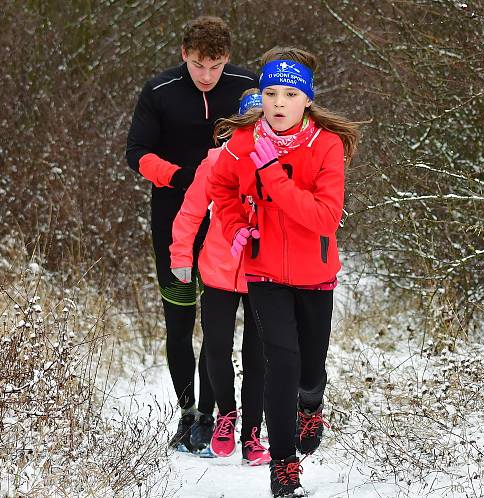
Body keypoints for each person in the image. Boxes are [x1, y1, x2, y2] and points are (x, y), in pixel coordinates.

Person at [209, 47, 361, 497]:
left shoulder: (326, 145)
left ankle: (310, 406)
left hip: (315, 273)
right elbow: (222, 185)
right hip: (265, 270)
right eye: (270, 92)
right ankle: (283, 464)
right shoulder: (242, 142)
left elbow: (323, 218)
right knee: (281, 363)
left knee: (309, 371)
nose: (277, 103)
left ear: (306, 101)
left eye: (290, 94)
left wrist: (272, 174)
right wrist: (236, 224)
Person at [125, 15, 257, 453]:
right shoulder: (159, 90)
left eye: (215, 66)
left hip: (228, 223)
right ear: (184, 55)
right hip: (172, 215)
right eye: (199, 64)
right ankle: (187, 413)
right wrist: (180, 177)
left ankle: (212, 413)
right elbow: (136, 152)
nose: (207, 75)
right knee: (180, 322)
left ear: (228, 60)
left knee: (219, 326)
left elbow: (274, 134)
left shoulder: (246, 86)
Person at [169, 89, 270, 466]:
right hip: (218, 269)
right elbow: (191, 212)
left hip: (264, 271)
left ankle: (252, 434)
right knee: (216, 347)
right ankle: (224, 416)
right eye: (250, 122)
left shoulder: (279, 162)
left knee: (257, 355)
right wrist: (181, 254)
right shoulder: (214, 162)